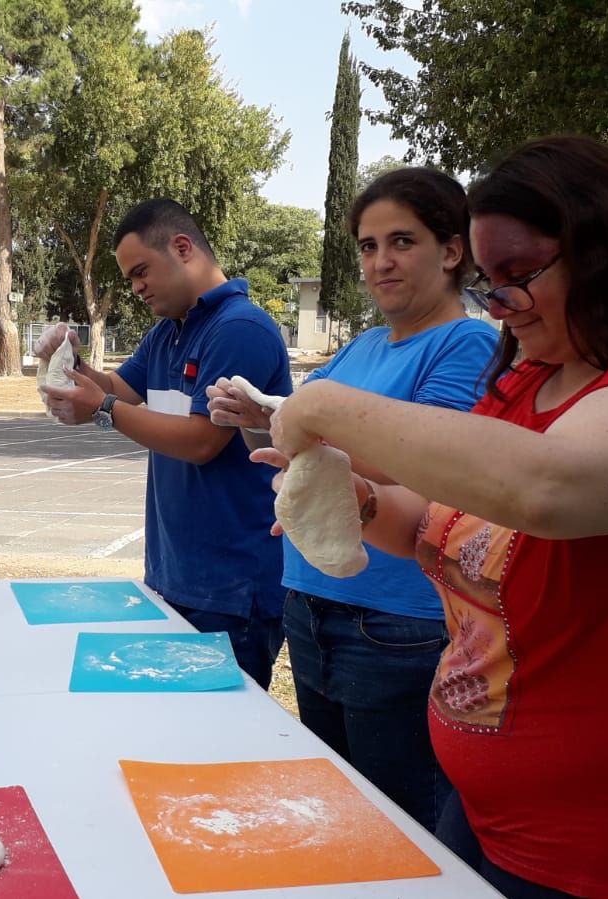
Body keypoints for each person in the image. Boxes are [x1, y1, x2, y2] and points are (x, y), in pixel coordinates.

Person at [263, 136, 608, 899]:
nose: (500, 302)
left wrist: (317, 405)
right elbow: (442, 527)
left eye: (520, 275)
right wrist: (364, 504)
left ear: (607, 253)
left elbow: (542, 490)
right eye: (491, 282)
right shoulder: (529, 380)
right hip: (495, 808)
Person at [207, 168, 498, 833]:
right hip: (312, 605)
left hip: (397, 620)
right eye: (368, 246)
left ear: (452, 251)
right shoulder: (364, 345)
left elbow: (434, 463)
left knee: (400, 825)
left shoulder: (470, 341)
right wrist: (251, 414)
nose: (380, 262)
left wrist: (303, 423)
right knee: (339, 816)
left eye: (402, 241)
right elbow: (299, 435)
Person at [38, 198, 293, 688]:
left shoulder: (239, 329)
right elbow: (114, 389)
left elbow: (201, 442)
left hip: (233, 588)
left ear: (183, 248)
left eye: (140, 272)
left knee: (218, 740)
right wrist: (66, 362)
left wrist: (102, 411)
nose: (135, 288)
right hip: (175, 575)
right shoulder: (167, 335)